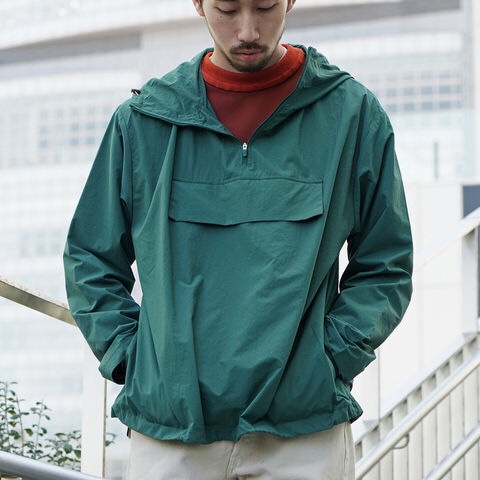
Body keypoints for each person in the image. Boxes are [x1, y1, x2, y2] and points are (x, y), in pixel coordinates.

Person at [63, 0, 413, 478]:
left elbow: (386, 261)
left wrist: (331, 358)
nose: (248, 30)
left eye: (265, 6)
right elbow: (90, 257)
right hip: (171, 427)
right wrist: (134, 360)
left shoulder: (352, 114)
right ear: (198, 3)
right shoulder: (144, 122)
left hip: (302, 428)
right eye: (227, 9)